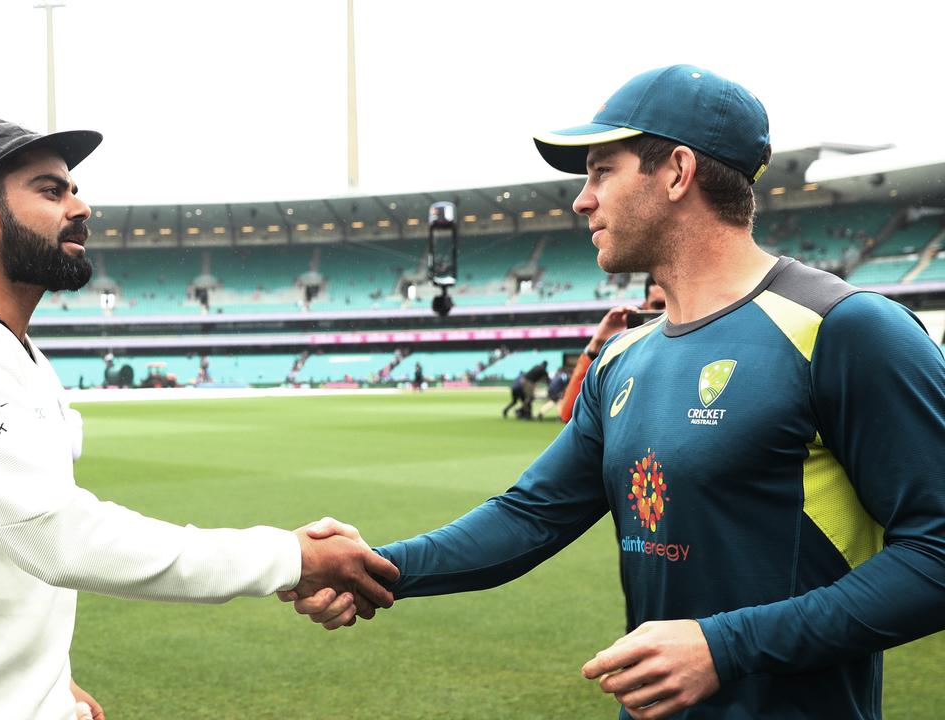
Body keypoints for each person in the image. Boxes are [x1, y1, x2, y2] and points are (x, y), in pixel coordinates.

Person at [284, 65, 945, 719]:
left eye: (603, 170)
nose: (581, 199)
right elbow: (530, 516)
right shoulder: (622, 357)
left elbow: (936, 555)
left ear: (678, 172)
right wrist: (374, 567)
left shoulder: (845, 330)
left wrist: (725, 646)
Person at [0, 119, 397, 720]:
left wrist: (48, 682)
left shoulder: (17, 352)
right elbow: (57, 537)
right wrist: (290, 558)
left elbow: (2, 550)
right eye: (51, 191)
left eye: (74, 189)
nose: (82, 207)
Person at [560, 277, 667, 423]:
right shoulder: (624, 355)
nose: (667, 313)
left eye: (673, 303)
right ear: (645, 307)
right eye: (659, 305)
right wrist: (597, 345)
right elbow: (571, 415)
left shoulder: (699, 353)